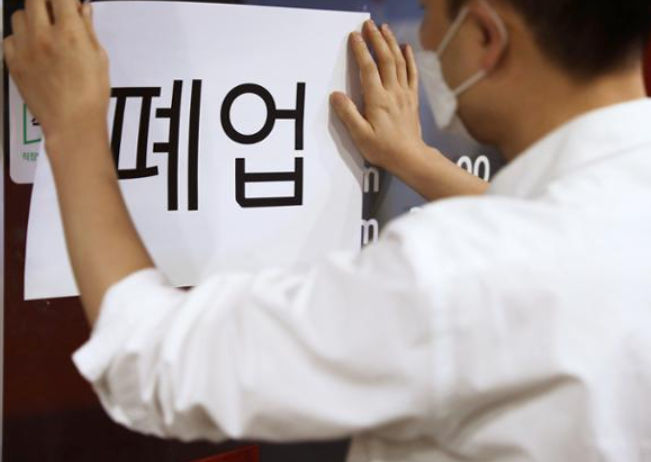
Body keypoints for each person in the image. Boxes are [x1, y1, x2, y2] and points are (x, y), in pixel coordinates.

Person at [4, 0, 651, 460]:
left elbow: (151, 360)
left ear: (486, 36)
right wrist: (417, 161)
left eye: (432, 16)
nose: (427, 40)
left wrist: (75, 123)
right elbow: (566, 231)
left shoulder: (453, 276)